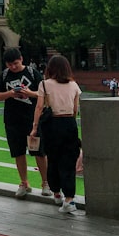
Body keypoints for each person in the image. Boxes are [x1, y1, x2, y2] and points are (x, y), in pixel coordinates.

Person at [0, 47, 50, 199]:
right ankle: (24, 182)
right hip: (12, 120)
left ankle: (45, 182)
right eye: (10, 64)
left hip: (32, 120)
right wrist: (10, 93)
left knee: (39, 151)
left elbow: (43, 94)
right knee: (18, 152)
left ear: (21, 59)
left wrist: (28, 93)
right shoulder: (4, 76)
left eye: (15, 64)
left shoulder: (32, 73)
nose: (13, 67)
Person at [30, 55, 82, 215]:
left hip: (51, 124)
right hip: (69, 124)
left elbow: (39, 108)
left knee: (53, 159)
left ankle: (57, 192)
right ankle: (70, 199)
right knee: (68, 161)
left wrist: (34, 128)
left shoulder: (45, 84)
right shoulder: (74, 85)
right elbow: (75, 110)